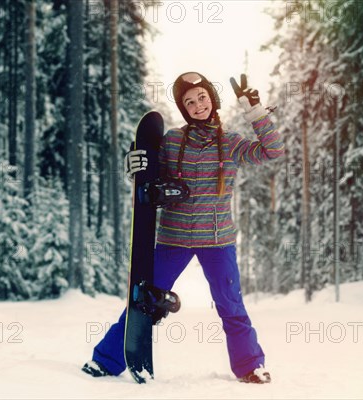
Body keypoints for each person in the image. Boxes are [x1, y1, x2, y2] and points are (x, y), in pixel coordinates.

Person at [82, 72, 285, 384]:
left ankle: (250, 366)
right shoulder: (173, 141)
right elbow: (146, 175)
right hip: (173, 238)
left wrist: (255, 112)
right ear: (184, 109)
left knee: (230, 304)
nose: (197, 104)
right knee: (142, 301)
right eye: (189, 102)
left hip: (217, 241)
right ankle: (105, 361)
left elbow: (272, 151)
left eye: (202, 97)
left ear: (212, 99)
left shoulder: (230, 143)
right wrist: (133, 163)